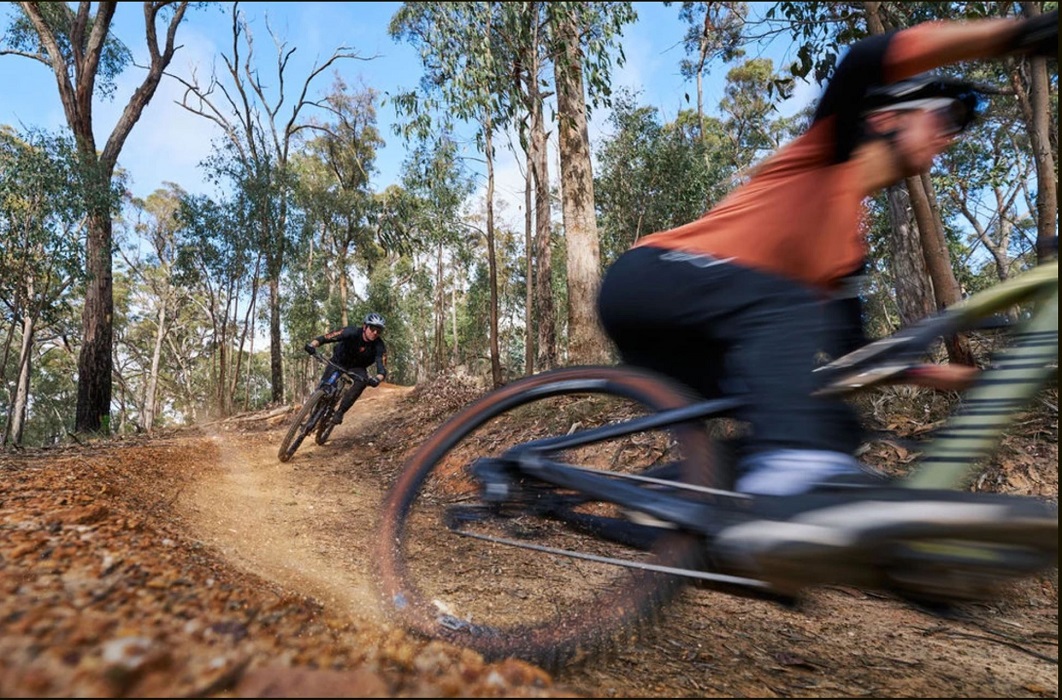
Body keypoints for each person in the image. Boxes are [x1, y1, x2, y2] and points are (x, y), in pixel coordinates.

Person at [596, 13, 1057, 583]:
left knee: (831, 422)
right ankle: (787, 484)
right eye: (943, 117)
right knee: (785, 311)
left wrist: (938, 375)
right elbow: (864, 59)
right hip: (649, 281)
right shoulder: (832, 147)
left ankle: (669, 504)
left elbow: (852, 358)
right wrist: (1011, 36)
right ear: (886, 117)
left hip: (709, 335)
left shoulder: (848, 254)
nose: (948, 136)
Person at [304, 312, 389, 425]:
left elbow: (381, 368)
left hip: (357, 367)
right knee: (325, 387)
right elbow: (327, 337)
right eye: (372, 328)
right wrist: (312, 345)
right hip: (339, 361)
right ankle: (316, 408)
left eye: (379, 331)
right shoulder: (351, 332)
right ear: (365, 326)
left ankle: (340, 412)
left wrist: (377, 379)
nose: (375, 333)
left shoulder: (379, 346)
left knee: (362, 381)